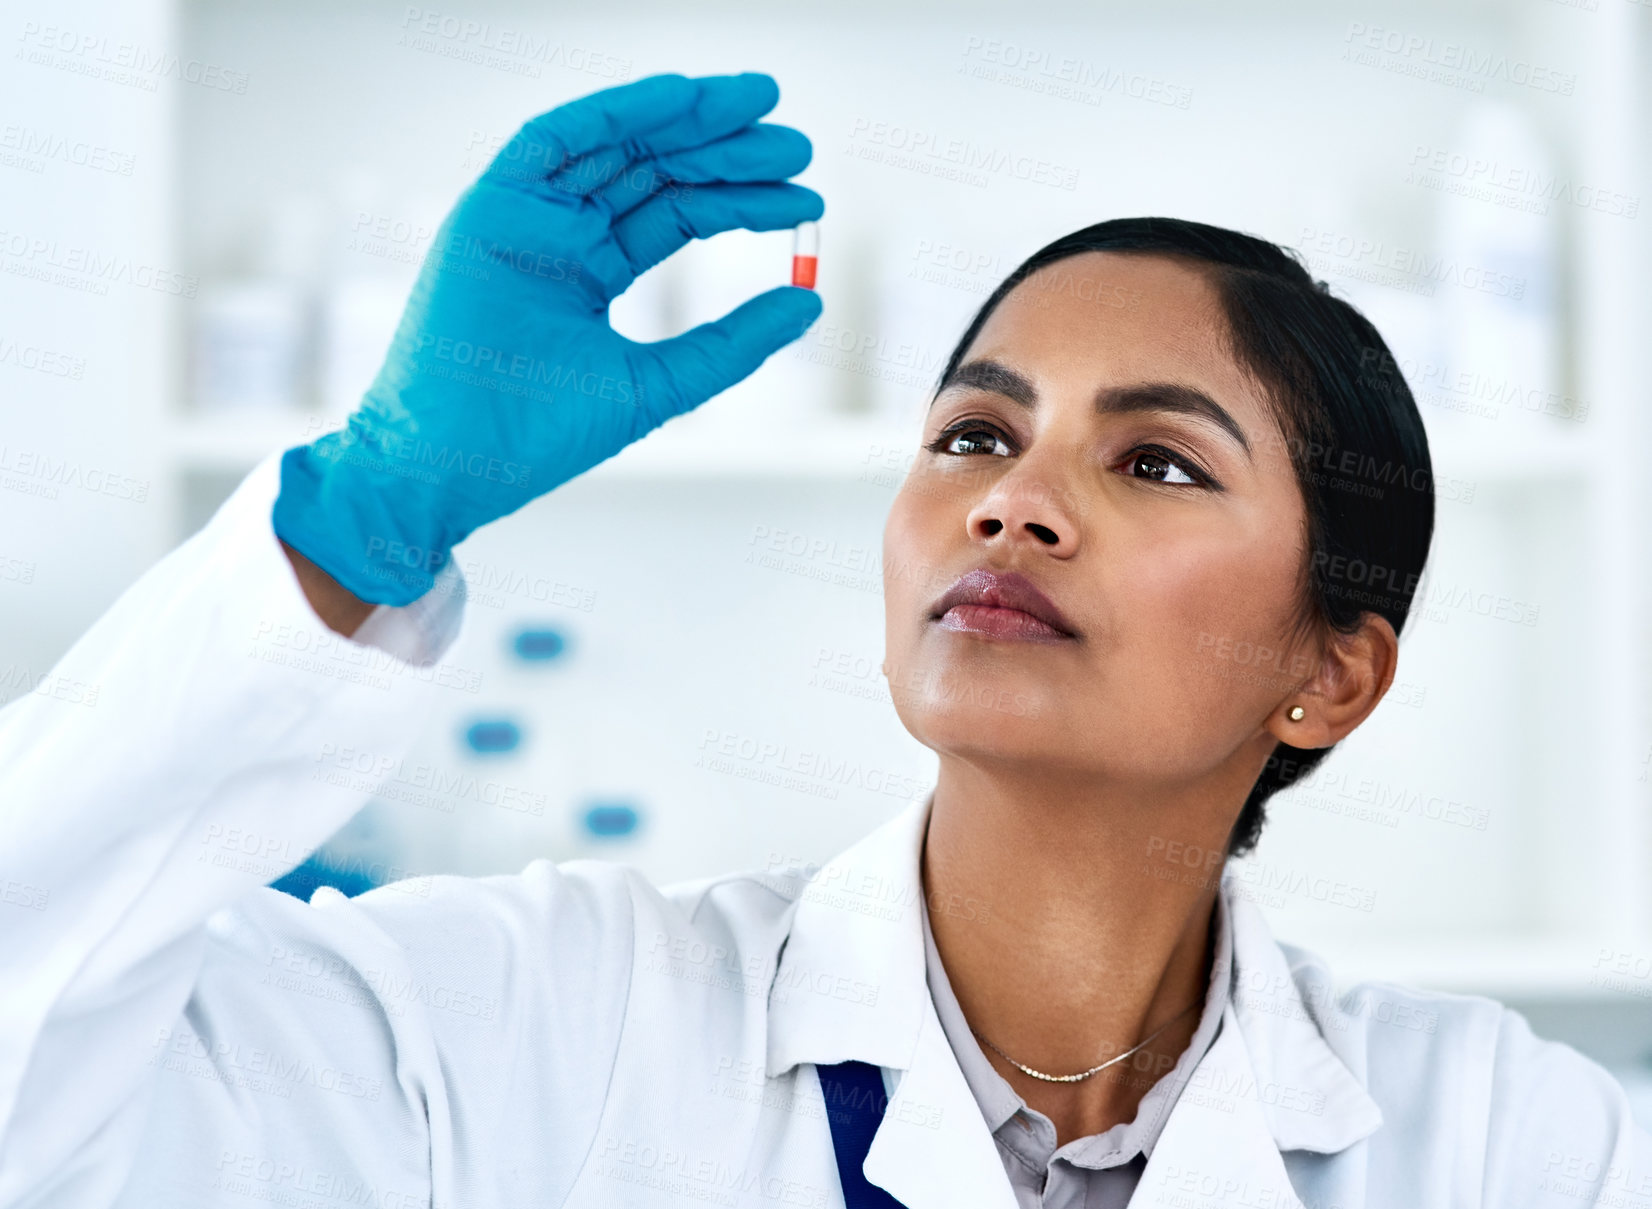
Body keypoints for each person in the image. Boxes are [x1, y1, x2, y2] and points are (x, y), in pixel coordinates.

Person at [1, 70, 1646, 1209]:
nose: (1016, 505)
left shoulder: (1507, 1140)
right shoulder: (524, 1019)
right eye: (974, 436)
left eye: (1154, 461)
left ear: (1334, 669)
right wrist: (362, 513)